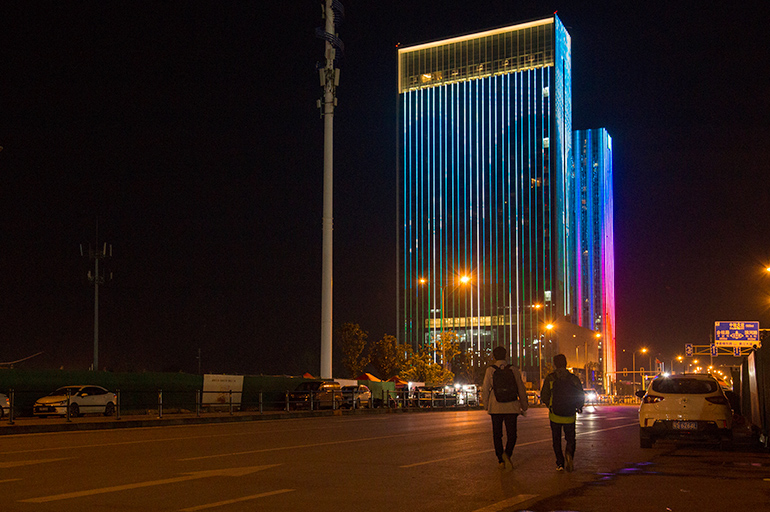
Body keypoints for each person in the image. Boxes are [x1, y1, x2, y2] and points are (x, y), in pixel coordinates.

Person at [482, 345, 529, 470]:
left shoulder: (490, 370)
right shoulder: (513, 369)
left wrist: (486, 405)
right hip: (511, 406)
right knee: (512, 434)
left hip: (495, 407)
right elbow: (520, 388)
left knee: (497, 435)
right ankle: (507, 454)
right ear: (506, 356)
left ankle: (500, 459)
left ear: (494, 356)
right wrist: (524, 405)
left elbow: (485, 389)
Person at [540, 353, 585, 472]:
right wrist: (579, 406)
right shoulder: (573, 378)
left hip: (555, 414)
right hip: (570, 414)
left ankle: (560, 463)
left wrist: (550, 405)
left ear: (555, 364)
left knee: (556, 439)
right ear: (565, 364)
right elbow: (580, 394)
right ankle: (569, 454)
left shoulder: (550, 378)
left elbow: (544, 395)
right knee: (570, 438)